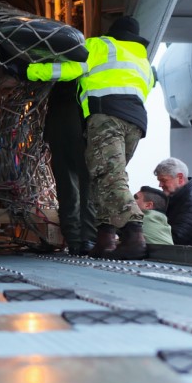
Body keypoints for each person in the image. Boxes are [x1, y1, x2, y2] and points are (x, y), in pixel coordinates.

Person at [27, 16, 155, 260]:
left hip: (106, 116)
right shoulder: (142, 60)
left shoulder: (101, 45)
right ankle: (103, 240)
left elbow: (70, 70)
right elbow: (144, 90)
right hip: (136, 122)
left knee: (108, 179)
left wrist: (29, 69)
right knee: (102, 182)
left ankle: (134, 234)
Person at [43, 80, 98, 256]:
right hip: (77, 121)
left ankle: (75, 240)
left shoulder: (57, 77)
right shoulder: (85, 69)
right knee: (87, 183)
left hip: (58, 121)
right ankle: (88, 239)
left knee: (67, 185)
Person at [153, 157, 192, 247]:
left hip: (191, 259)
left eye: (164, 180)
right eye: (159, 181)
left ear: (180, 177)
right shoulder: (180, 197)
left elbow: (176, 239)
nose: (160, 185)